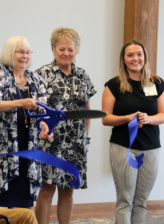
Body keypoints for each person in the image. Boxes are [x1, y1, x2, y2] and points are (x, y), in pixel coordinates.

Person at [0, 36, 51, 211]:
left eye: (27, 52)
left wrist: (45, 127)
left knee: (25, 193)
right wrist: (21, 102)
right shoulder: (1, 73)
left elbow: (43, 112)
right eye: (20, 52)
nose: (25, 56)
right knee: (1, 194)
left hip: (28, 142)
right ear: (10, 53)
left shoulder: (36, 79)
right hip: (3, 144)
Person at [35, 27, 96, 224]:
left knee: (68, 191)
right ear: (53, 49)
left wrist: (86, 138)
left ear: (76, 50)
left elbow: (87, 109)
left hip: (76, 142)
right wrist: (40, 130)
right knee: (46, 190)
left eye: (70, 49)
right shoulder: (42, 74)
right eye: (61, 49)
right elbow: (35, 110)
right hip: (50, 140)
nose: (66, 53)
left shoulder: (83, 75)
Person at [102, 40, 164, 224]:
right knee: (125, 201)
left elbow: (163, 115)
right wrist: (127, 118)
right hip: (124, 147)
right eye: (130, 55)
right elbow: (106, 118)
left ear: (145, 57)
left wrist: (148, 119)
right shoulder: (114, 85)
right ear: (123, 59)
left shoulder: (155, 83)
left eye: (139, 54)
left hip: (151, 148)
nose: (135, 58)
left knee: (141, 201)